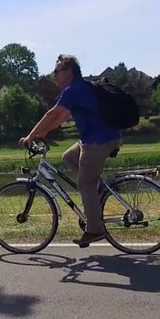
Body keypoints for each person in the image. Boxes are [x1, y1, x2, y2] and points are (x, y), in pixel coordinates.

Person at [19, 54, 121, 247]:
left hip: (98, 141)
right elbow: (62, 116)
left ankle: (95, 229)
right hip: (94, 139)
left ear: (68, 71)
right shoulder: (80, 88)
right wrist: (45, 131)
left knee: (84, 184)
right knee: (68, 157)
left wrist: (30, 136)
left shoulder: (74, 90)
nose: (54, 75)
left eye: (56, 71)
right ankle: (98, 191)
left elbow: (52, 113)